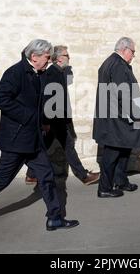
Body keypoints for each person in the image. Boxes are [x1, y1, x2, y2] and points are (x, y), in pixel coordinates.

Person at [0, 40, 79, 236]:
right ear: (34, 57)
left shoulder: (39, 73)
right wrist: (30, 117)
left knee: (47, 176)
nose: (49, 61)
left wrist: (44, 121)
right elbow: (0, 99)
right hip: (16, 140)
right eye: (47, 58)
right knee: (1, 181)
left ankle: (55, 217)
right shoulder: (15, 72)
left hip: (34, 139)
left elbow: (38, 102)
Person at [25, 46, 100, 186]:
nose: (69, 58)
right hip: (55, 119)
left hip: (55, 119)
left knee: (46, 145)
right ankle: (83, 176)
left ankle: (31, 174)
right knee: (67, 146)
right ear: (59, 58)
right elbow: (49, 99)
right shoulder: (54, 73)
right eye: (67, 55)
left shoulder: (57, 72)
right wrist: (47, 121)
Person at [92, 37, 140, 198]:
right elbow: (122, 95)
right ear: (125, 49)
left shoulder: (111, 62)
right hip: (116, 118)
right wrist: (137, 114)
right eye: (133, 52)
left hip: (114, 116)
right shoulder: (118, 65)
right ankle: (104, 188)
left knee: (124, 149)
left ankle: (121, 181)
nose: (133, 56)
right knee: (112, 153)